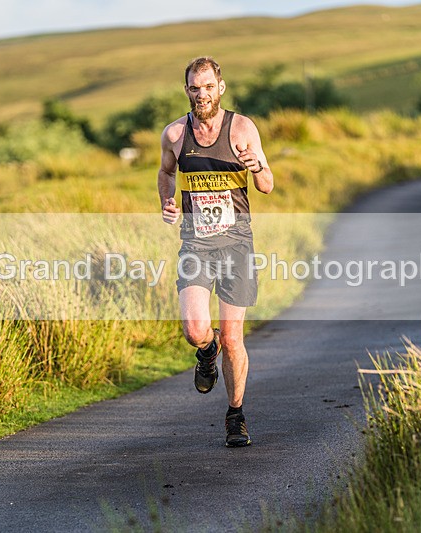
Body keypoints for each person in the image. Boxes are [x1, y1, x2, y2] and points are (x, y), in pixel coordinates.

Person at [157, 57, 274, 447]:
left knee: (234, 337)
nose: (201, 94)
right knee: (195, 329)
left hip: (236, 243)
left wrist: (256, 167)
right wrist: (167, 202)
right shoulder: (175, 134)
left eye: (208, 86)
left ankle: (235, 415)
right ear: (186, 90)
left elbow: (267, 185)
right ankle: (207, 351)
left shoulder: (242, 128)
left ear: (220, 88)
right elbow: (166, 172)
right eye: (194, 87)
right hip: (196, 243)